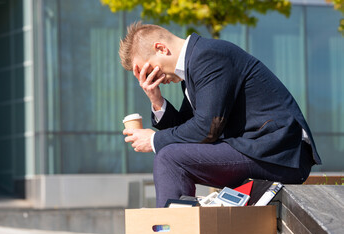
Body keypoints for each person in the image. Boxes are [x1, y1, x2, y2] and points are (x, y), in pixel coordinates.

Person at [121, 22, 321, 208]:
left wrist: (154, 139)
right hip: (260, 149)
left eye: (148, 70)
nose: (150, 78)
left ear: (161, 49)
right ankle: (177, 228)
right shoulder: (194, 66)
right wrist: (156, 100)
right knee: (170, 154)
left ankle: (171, 231)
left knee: (169, 158)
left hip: (278, 151)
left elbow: (207, 129)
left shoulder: (208, 56)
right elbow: (186, 130)